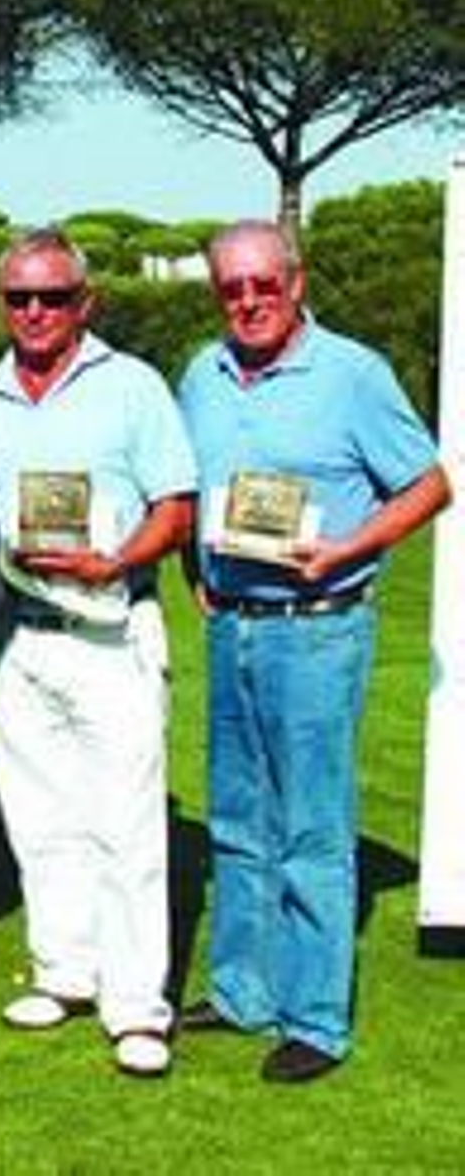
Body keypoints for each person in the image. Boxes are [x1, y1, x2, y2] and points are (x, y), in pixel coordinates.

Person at [178, 220, 450, 1084]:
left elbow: (430, 482)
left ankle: (315, 1019)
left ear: (296, 283)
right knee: (237, 817)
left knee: (310, 829)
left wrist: (347, 549)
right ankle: (243, 989)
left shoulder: (352, 373)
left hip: (320, 624)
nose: (249, 300)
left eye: (265, 283)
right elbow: (193, 486)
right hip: (235, 625)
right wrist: (197, 566)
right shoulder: (202, 372)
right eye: (232, 287)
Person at [0, 228, 195, 1079]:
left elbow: (174, 506)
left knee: (126, 824)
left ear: (84, 303)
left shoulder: (132, 385)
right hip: (14, 635)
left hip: (110, 627)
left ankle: (137, 1005)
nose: (34, 312)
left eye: (52, 297)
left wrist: (118, 559)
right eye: (18, 297)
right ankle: (65, 969)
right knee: (40, 816)